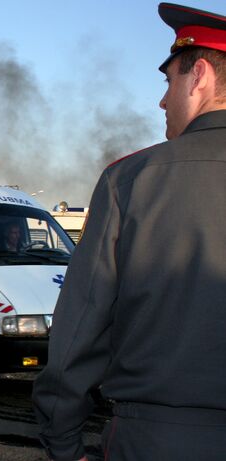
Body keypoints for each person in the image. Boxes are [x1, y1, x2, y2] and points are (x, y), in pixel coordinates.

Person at [32, 3, 226, 461]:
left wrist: (63, 443)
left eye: (168, 81)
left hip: (157, 439)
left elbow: (80, 327)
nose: (162, 100)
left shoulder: (130, 180)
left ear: (198, 75)